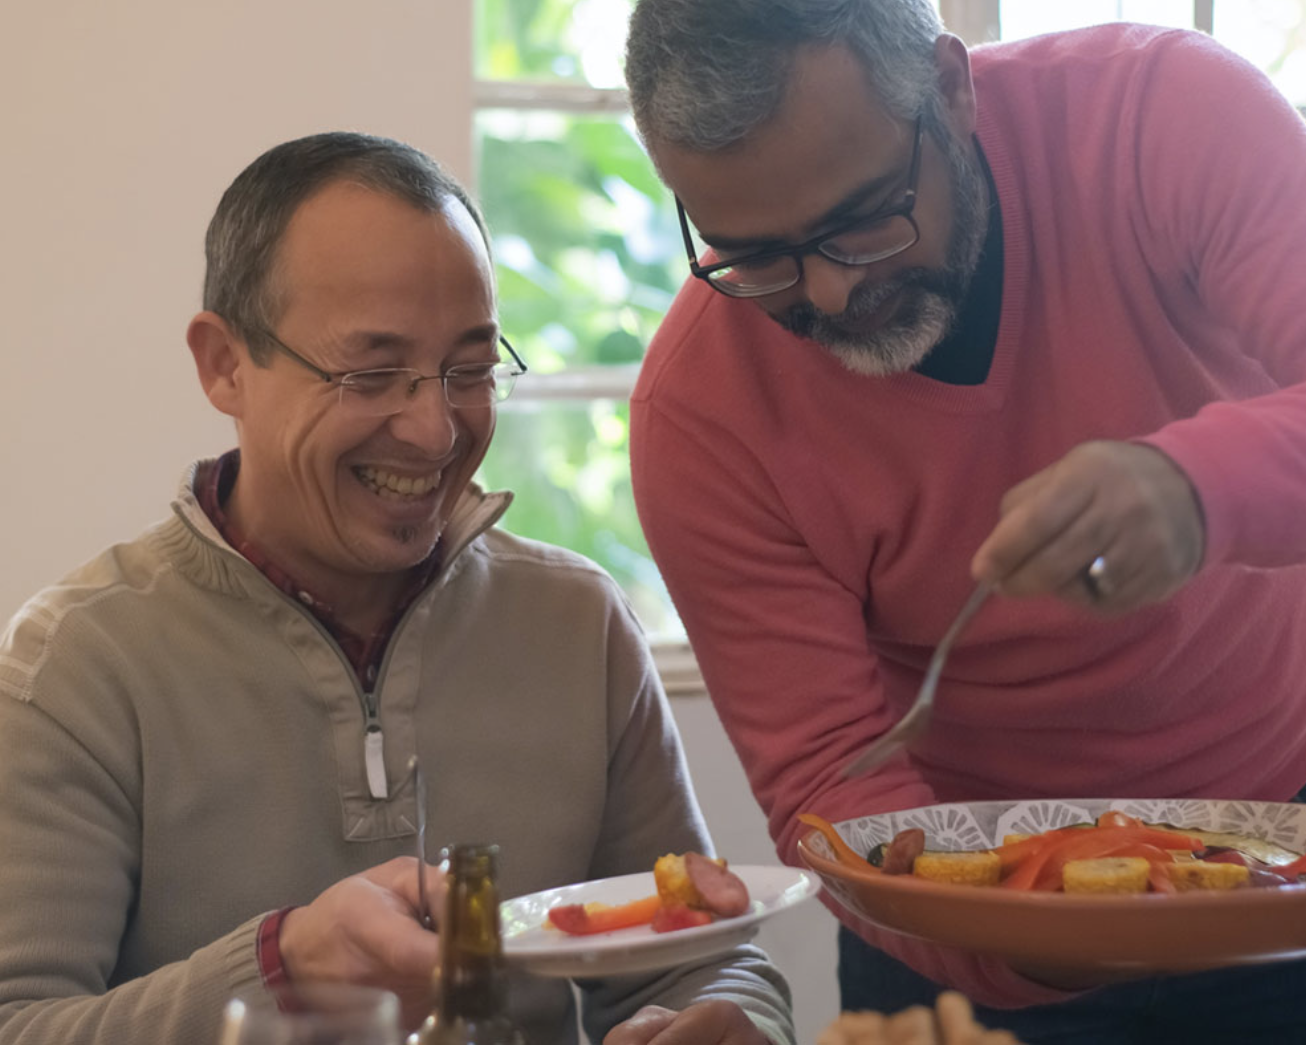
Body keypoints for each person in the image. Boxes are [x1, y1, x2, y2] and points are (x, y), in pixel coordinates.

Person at [0, 132, 793, 1046]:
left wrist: (732, 1021)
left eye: (471, 370)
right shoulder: (77, 666)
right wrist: (281, 971)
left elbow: (702, 950)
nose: (433, 430)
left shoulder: (574, 626)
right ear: (224, 364)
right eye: (371, 374)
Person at [623, 0, 1306, 1040]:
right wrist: (1037, 921)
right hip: (964, 928)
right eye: (751, 255)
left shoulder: (1160, 114)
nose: (831, 292)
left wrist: (1197, 487)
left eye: (862, 219)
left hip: (1281, 842)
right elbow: (828, 773)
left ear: (950, 88)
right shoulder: (698, 414)